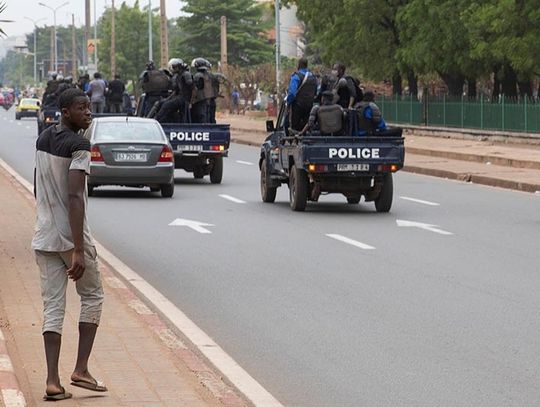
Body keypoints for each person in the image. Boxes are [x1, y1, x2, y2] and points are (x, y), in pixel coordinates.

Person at [32, 88, 107, 401]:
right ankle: (81, 369)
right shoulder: (80, 145)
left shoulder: (43, 139)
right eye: (81, 108)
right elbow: (75, 195)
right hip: (71, 236)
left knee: (53, 307)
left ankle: (52, 381)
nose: (88, 112)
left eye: (89, 107)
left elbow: (38, 182)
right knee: (92, 294)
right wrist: (78, 248)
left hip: (44, 235)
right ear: (65, 112)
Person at [155, 58, 193, 123]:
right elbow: (176, 91)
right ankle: (159, 120)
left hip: (184, 98)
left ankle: (157, 121)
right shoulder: (178, 76)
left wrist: (190, 101)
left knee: (166, 106)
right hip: (179, 98)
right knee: (161, 103)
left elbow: (192, 87)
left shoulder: (186, 74)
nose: (173, 68)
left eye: (174, 67)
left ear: (179, 66)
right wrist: (167, 99)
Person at [286, 57, 317, 132]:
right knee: (307, 128)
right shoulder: (313, 77)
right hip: (309, 106)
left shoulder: (296, 76)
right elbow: (315, 92)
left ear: (299, 65)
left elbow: (292, 94)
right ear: (307, 65)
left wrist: (288, 103)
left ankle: (295, 141)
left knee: (294, 129)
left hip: (297, 107)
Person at [191, 58, 214, 123]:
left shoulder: (197, 76)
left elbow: (195, 89)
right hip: (208, 99)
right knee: (207, 116)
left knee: (200, 117)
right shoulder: (209, 75)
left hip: (199, 100)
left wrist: (192, 100)